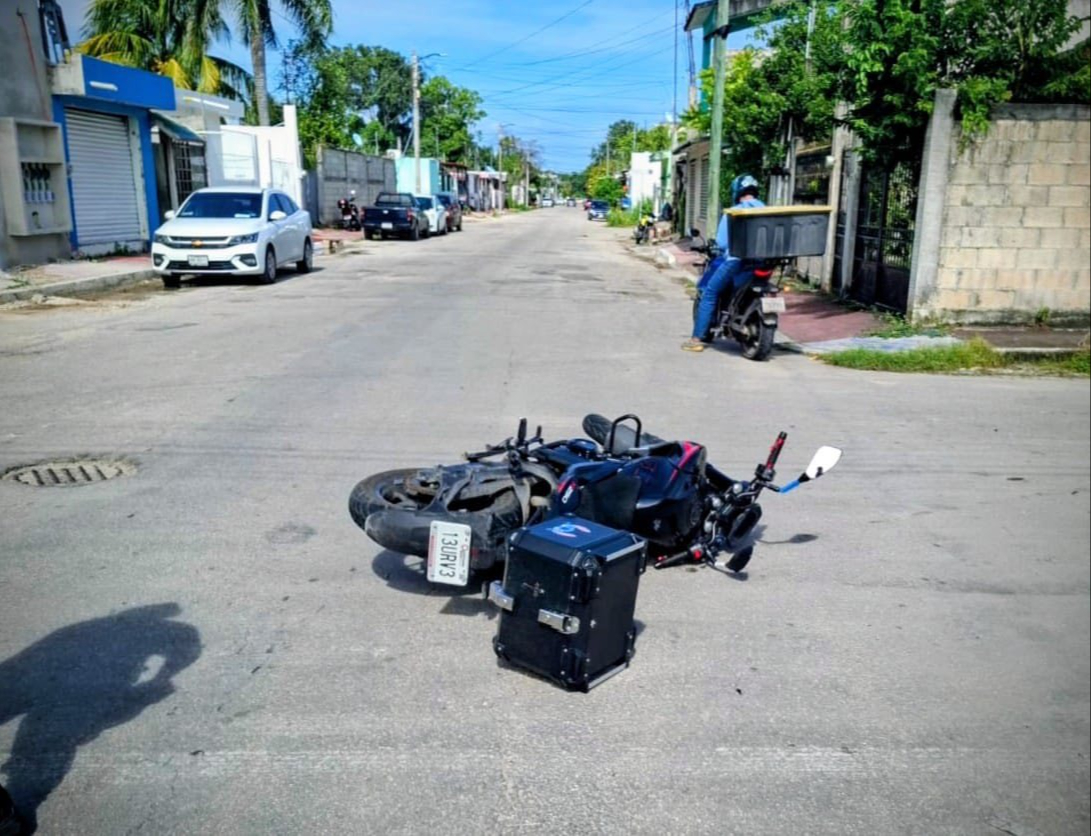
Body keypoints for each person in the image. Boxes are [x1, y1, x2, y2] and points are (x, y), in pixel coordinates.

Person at [682, 174, 766, 352]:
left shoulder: (733, 212)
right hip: (762, 262)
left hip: (736, 262)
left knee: (710, 293)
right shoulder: (765, 210)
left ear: (737, 191)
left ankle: (696, 339)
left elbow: (721, 244)